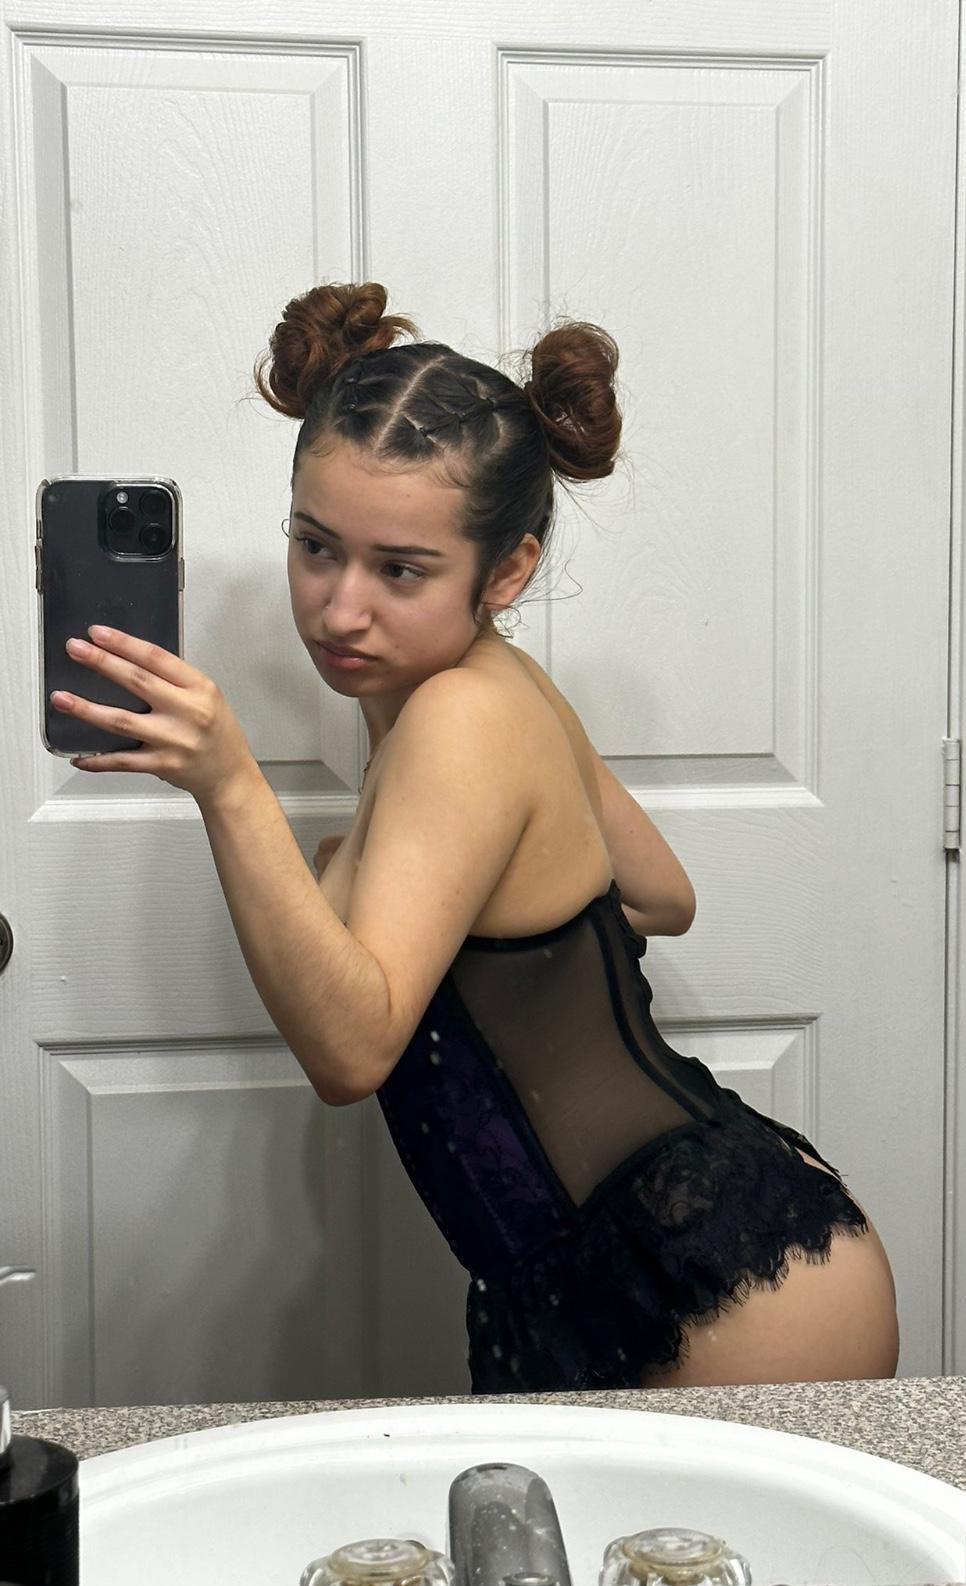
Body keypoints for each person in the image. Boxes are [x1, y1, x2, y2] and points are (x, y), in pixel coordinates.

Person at [252, 281, 900, 1393]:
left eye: (399, 568)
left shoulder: (459, 716)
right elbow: (660, 896)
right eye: (316, 546)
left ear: (507, 570)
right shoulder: (502, 690)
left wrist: (225, 782)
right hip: (685, 1245)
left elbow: (350, 1056)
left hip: (710, 1280)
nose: (340, 607)